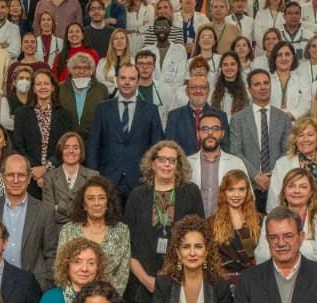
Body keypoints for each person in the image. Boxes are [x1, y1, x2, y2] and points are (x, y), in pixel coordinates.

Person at [121, 140, 205, 303]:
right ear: (152, 163)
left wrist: (179, 278)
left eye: (172, 161)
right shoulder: (137, 195)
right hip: (142, 287)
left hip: (182, 285)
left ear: (178, 166)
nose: (167, 164)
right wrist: (146, 280)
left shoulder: (190, 192)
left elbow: (200, 239)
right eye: (162, 159)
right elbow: (127, 244)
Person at [0, 153, 61, 288]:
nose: (16, 180)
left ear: (29, 178)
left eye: (21, 175)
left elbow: (51, 254)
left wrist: (46, 285)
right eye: (10, 175)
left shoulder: (44, 211)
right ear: (2, 177)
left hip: (33, 287)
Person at [88, 63, 165, 198]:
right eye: (123, 78)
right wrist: (93, 176)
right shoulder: (103, 109)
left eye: (132, 78)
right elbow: (93, 144)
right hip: (108, 178)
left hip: (140, 179)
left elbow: (157, 147)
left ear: (138, 81)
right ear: (117, 80)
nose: (127, 82)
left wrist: (153, 175)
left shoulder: (151, 110)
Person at [226, 69, 291, 211]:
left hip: (277, 186)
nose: (263, 87)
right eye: (257, 84)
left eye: (266, 83)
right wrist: (256, 175)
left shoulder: (283, 117)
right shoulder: (238, 119)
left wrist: (273, 175)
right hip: (249, 185)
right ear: (249, 89)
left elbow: (288, 150)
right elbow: (235, 151)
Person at [59, 174, 132, 293]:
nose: (97, 203)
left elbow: (122, 274)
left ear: (108, 203)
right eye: (91, 198)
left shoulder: (122, 231)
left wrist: (107, 301)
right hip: (72, 300)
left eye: (101, 198)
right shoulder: (68, 230)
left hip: (109, 301)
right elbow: (61, 269)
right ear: (83, 204)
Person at [254, 166, 317, 265]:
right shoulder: (269, 219)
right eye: (291, 186)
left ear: (311, 193)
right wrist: (306, 248)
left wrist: (280, 251)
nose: (296, 191)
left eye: (303, 187)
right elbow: (261, 256)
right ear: (284, 191)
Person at [270, 115, 317, 223]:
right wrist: (290, 222)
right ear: (295, 140)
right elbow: (274, 201)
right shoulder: (282, 164)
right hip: (285, 224)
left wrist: (312, 221)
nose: (305, 139)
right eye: (300, 135)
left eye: (310, 134)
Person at [185, 110, 247, 214]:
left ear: (222, 133)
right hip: (195, 224)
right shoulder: (186, 163)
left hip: (226, 223)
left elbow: (248, 198)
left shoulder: (236, 163)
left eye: (215, 129)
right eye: (205, 129)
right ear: (198, 133)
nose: (210, 133)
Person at [208, 170, 261, 276]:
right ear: (224, 192)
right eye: (231, 189)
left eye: (241, 189)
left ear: (247, 192)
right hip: (224, 280)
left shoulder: (260, 220)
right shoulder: (211, 223)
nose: (236, 195)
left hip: (255, 279)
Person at [40, 129, 97, 223]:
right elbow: (48, 213)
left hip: (85, 231)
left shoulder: (92, 176)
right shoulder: (50, 177)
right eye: (66, 147)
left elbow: (93, 212)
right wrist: (79, 211)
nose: (71, 151)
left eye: (75, 147)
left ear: (81, 151)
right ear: (60, 150)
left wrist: (60, 207)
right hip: (57, 232)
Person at [166, 72, 228, 157]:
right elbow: (170, 147)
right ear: (187, 91)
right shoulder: (174, 116)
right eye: (194, 87)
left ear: (208, 91)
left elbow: (225, 146)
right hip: (183, 167)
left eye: (203, 87)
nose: (198, 91)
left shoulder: (221, 116)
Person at [57, 51, 105, 139]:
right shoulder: (60, 88)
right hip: (65, 138)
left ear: (92, 70)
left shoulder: (101, 89)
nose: (81, 71)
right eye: (77, 68)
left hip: (93, 139)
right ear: (70, 70)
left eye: (86, 68)